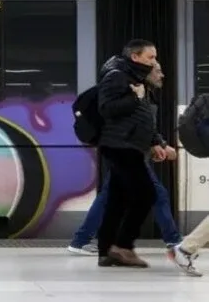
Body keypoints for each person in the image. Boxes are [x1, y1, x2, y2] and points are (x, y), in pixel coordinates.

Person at [67, 61, 180, 255]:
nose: (162, 75)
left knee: (108, 196)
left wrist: (156, 144)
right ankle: (175, 242)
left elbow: (144, 127)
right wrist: (159, 144)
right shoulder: (134, 93)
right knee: (157, 194)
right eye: (158, 71)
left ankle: (79, 241)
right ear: (146, 73)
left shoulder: (146, 94)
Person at [95, 39, 159, 268]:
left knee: (117, 200)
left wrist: (156, 142)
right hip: (120, 145)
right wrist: (136, 97)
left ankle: (106, 250)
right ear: (135, 57)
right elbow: (106, 109)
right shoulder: (117, 75)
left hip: (129, 144)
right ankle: (123, 246)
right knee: (146, 194)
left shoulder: (135, 77)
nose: (154, 62)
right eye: (150, 57)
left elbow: (140, 117)